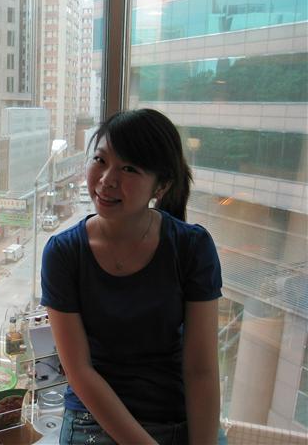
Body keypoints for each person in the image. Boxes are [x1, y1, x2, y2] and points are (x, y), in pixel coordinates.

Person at [41, 109, 222, 445]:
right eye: (100, 160)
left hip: (176, 415)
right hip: (93, 419)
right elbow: (80, 371)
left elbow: (201, 370)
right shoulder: (64, 254)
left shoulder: (192, 247)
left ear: (161, 185)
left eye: (129, 169)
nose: (107, 179)